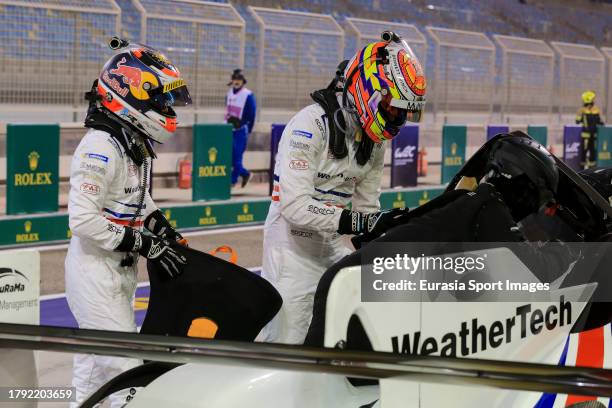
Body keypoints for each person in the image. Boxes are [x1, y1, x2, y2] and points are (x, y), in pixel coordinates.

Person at [305, 133, 576, 347]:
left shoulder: (467, 201)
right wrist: (568, 252)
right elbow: (536, 271)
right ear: (523, 185)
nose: (534, 210)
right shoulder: (489, 208)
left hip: (351, 289)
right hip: (358, 301)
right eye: (538, 200)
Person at [259, 31, 427, 344]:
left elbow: (367, 213)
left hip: (333, 245)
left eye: (404, 111)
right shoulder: (308, 126)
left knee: (360, 326)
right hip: (291, 248)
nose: (398, 117)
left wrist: (395, 241)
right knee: (288, 341)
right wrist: (361, 223)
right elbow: (294, 207)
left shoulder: (375, 143)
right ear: (368, 89)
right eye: (393, 107)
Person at [65, 38, 191, 407]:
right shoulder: (100, 145)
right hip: (94, 274)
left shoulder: (129, 140)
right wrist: (141, 243)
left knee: (90, 378)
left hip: (119, 273)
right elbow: (83, 219)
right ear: (132, 93)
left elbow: (135, 198)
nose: (167, 107)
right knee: (127, 376)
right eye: (160, 99)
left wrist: (159, 225)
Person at [225, 68, 256, 187]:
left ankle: (231, 182)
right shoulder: (229, 93)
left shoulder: (248, 95)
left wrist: (249, 129)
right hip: (229, 130)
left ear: (243, 81)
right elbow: (226, 111)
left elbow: (252, 115)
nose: (237, 81)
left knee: (237, 158)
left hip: (241, 130)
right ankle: (245, 174)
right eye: (235, 79)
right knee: (231, 158)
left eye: (239, 79)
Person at [576, 90, 604, 169]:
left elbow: (599, 121)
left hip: (594, 135)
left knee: (592, 153)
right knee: (584, 153)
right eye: (593, 99)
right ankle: (581, 170)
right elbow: (577, 121)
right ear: (589, 100)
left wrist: (601, 123)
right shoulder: (582, 110)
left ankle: (592, 169)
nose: (594, 101)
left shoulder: (596, 110)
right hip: (585, 136)